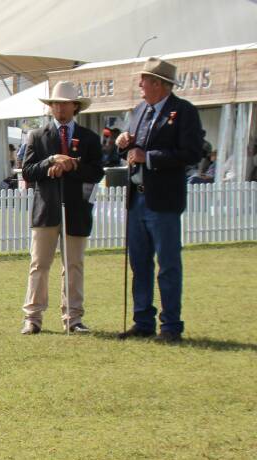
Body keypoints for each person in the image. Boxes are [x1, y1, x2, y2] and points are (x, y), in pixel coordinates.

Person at [116, 57, 204, 343]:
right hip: (137, 199)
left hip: (163, 201)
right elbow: (133, 153)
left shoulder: (184, 111)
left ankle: (171, 326)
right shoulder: (139, 110)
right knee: (139, 263)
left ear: (158, 84)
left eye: (144, 80)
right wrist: (124, 145)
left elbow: (192, 153)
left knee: (167, 264)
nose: (140, 85)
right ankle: (142, 321)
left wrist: (149, 158)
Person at [19, 81, 104, 335]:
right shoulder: (37, 136)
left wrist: (73, 166)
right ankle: (32, 318)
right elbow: (27, 171)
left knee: (74, 265)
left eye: (64, 104)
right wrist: (50, 162)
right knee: (39, 264)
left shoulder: (89, 138)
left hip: (76, 209)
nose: (60, 109)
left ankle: (73, 317)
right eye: (55, 104)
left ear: (74, 106)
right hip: (46, 210)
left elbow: (97, 172)